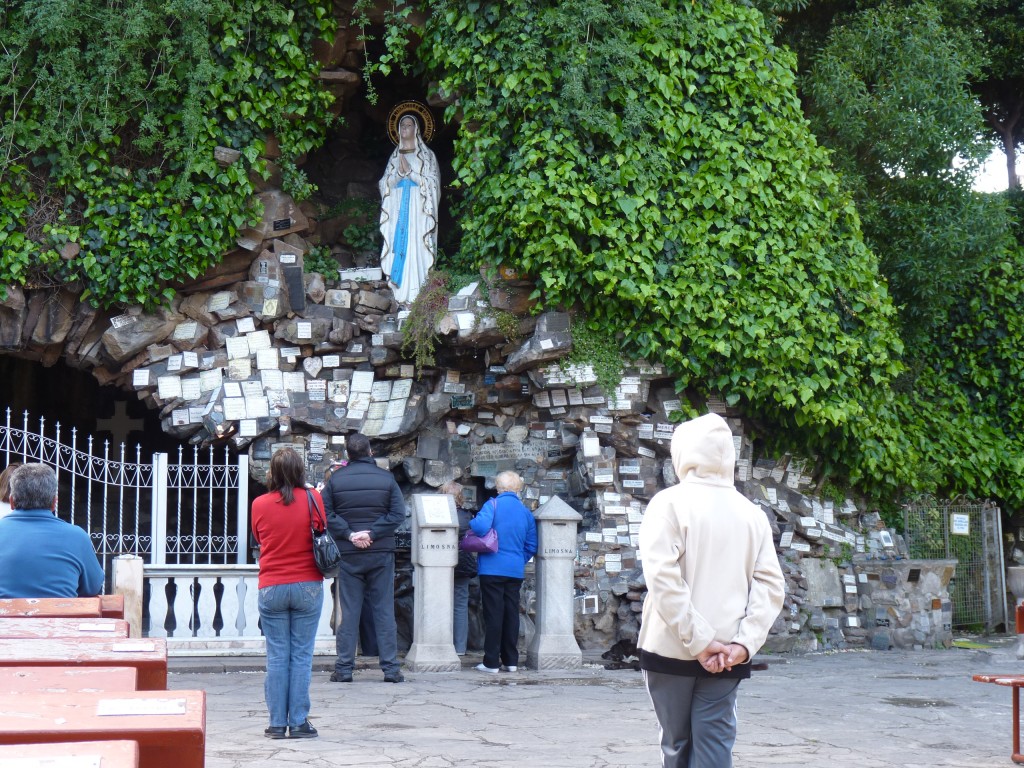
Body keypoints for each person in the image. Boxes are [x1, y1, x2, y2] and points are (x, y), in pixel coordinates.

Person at [637, 413, 785, 768]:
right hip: (728, 652)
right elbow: (770, 585)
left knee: (675, 744)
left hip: (670, 648)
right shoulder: (753, 514)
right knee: (715, 743)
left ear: (683, 453)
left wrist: (698, 640)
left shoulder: (668, 503)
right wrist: (743, 643)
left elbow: (662, 578)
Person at [250, 447, 325, 740]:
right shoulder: (313, 499)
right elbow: (321, 530)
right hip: (307, 584)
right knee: (302, 656)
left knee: (277, 656)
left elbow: (258, 537)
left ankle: (277, 723)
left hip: (271, 585)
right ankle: (299, 720)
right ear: (300, 472)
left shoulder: (259, 504)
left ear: (272, 472)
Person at [323, 433, 406, 683]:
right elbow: (397, 514)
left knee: (348, 612)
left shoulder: (336, 480)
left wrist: (350, 534)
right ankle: (391, 669)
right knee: (383, 610)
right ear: (370, 452)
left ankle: (344, 668)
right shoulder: (386, 478)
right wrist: (373, 533)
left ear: (348, 454)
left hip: (349, 554)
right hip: (380, 551)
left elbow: (326, 514)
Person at [0, 463, 104, 598]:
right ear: (54, 503)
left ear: (12, 502)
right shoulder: (77, 537)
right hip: (59, 618)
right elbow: (93, 588)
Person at [471, 471, 537, 674]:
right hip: (514, 571)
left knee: (493, 615)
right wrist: (518, 560)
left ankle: (491, 662)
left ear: (498, 488)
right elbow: (531, 545)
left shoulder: (493, 505)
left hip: (492, 568)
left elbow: (480, 527)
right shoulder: (525, 512)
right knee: (511, 614)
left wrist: (473, 522)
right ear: (518, 489)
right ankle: (511, 661)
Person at [379, 112, 440, 305]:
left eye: (409, 125)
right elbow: (384, 184)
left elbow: (433, 183)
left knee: (418, 245)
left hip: (418, 212)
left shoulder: (427, 156)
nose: (405, 129)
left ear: (416, 129)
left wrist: (412, 174)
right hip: (399, 211)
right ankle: (400, 293)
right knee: (400, 246)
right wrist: (399, 173)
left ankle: (419, 290)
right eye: (402, 126)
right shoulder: (394, 157)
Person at [441, 480, 476, 655]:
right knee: (460, 605)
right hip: (462, 563)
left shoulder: (437, 515)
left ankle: (438, 643)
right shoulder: (467, 516)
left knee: (437, 602)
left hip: (438, 563)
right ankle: (460, 647)